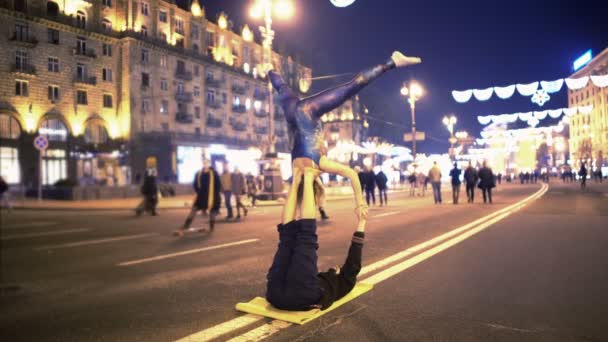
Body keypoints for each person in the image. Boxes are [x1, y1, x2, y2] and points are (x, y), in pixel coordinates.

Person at [265, 51, 421, 311]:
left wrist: (359, 204)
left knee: (349, 87)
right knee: (289, 234)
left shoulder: (319, 163)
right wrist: (300, 182)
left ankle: (391, 63)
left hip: (303, 111)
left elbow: (351, 174)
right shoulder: (301, 166)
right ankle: (272, 71)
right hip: (293, 113)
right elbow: (288, 220)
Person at [175, 158, 221, 235]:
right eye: (204, 163)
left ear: (209, 164)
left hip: (212, 196)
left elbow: (218, 185)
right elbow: (195, 184)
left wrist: (216, 195)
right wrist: (198, 192)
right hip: (201, 195)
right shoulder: (199, 173)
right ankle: (186, 225)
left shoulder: (214, 173)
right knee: (194, 209)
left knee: (212, 211)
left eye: (206, 163)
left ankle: (211, 227)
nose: (205, 164)